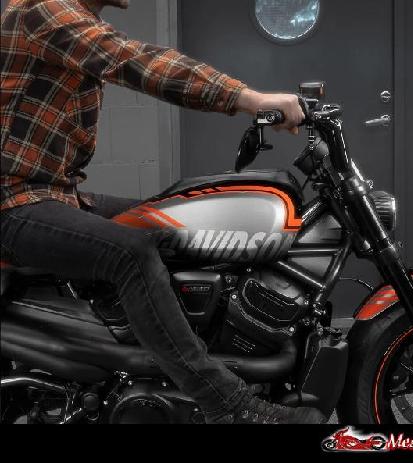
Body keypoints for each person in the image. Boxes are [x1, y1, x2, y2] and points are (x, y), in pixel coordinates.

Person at [0, 0, 325, 424]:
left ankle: (143, 341)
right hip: (14, 201)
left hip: (55, 194)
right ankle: (227, 405)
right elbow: (136, 61)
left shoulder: (68, 18)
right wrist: (249, 99)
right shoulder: (45, 9)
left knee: (172, 217)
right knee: (131, 253)